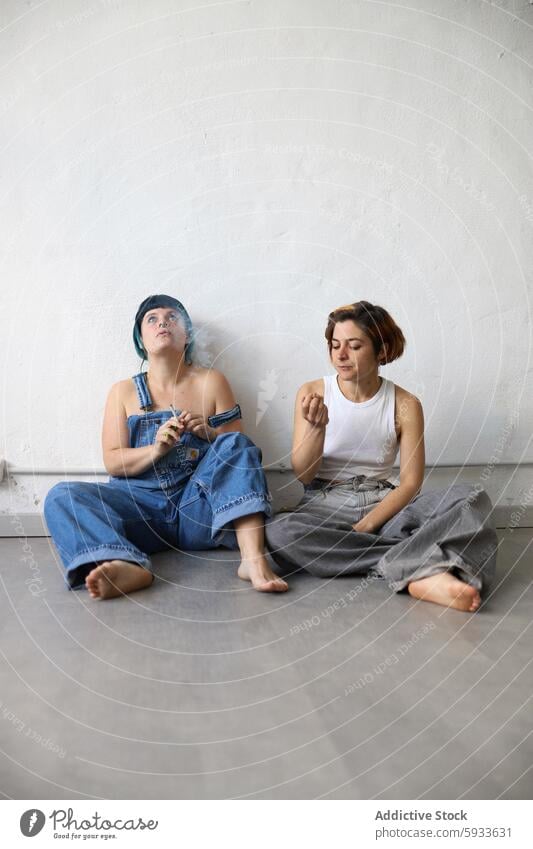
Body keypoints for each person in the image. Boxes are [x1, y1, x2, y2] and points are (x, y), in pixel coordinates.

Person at [44, 294, 288, 599]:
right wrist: (156, 448)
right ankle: (125, 563)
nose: (163, 322)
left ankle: (252, 560)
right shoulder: (122, 392)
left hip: (196, 512)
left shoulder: (212, 382)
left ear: (186, 336)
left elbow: (238, 450)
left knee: (235, 442)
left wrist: (210, 432)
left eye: (172, 317)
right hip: (138, 512)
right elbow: (113, 462)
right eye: (152, 319)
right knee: (60, 496)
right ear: (141, 340)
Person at [264, 301, 498, 612]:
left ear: (382, 349)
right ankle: (421, 566)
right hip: (325, 505)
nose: (341, 356)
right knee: (279, 531)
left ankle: (395, 562)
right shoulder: (313, 391)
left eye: (354, 346)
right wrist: (317, 429)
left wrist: (365, 527)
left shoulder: (406, 403)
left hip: (387, 506)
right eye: (335, 346)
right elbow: (304, 476)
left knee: (472, 498)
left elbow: (410, 483)